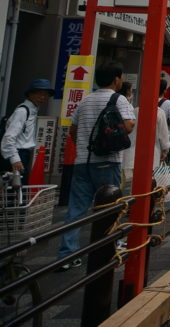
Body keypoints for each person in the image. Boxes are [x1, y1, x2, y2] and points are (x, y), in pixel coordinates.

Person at [57, 61, 136, 270]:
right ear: (117, 79)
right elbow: (128, 126)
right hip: (108, 162)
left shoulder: (84, 100)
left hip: (82, 162)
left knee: (76, 209)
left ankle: (68, 254)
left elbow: (73, 131)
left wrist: (85, 145)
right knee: (112, 206)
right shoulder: (118, 100)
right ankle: (114, 245)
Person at [122, 82, 170, 187]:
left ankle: (135, 198)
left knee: (135, 183)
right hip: (152, 153)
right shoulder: (159, 112)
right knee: (149, 182)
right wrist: (165, 150)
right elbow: (164, 135)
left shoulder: (135, 111)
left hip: (133, 152)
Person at [2, 79, 52, 175]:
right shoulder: (22, 111)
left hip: (23, 154)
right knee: (15, 188)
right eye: (39, 93)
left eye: (46, 94)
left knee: (19, 187)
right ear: (30, 94)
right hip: (17, 154)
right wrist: (15, 159)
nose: (43, 97)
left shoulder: (33, 110)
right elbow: (9, 137)